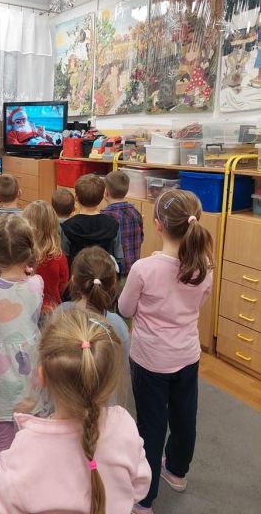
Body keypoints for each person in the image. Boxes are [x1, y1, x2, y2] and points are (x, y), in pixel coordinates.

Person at [0, 306, 151, 514]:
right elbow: (140, 485)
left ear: (42, 376)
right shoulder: (124, 425)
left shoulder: (23, 451)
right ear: (110, 380)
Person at [118, 189, 213, 514]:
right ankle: (176, 471)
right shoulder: (204, 266)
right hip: (187, 356)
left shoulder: (144, 268)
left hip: (150, 361)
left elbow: (125, 309)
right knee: (185, 418)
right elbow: (198, 303)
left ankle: (144, 499)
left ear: (158, 224)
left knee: (151, 426)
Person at [0, 215, 44, 469]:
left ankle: (3, 487)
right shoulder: (36, 284)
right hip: (31, 372)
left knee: (1, 441)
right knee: (33, 437)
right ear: (28, 251)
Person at [67, 246, 130, 367]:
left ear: (73, 279)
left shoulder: (60, 314)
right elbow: (123, 368)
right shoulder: (117, 325)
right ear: (112, 283)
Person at [61, 173, 124, 270]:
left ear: (76, 198)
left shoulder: (67, 226)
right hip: (105, 275)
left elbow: (65, 257)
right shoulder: (112, 224)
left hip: (77, 275)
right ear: (102, 197)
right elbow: (119, 256)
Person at [23, 200, 69, 314]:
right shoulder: (59, 256)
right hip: (51, 309)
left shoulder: (21, 256)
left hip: (25, 306)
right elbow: (64, 283)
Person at [102, 170, 144, 287]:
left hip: (114, 272)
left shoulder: (105, 215)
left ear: (106, 192)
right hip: (133, 270)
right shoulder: (135, 212)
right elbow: (141, 237)